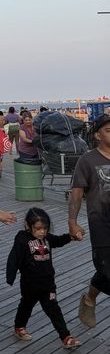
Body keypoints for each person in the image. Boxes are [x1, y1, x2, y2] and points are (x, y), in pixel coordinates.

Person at [6, 207, 79, 348]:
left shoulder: (47, 238)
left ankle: (66, 337)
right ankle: (19, 326)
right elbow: (14, 258)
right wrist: (11, 276)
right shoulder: (22, 239)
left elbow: (58, 240)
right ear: (28, 226)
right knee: (26, 305)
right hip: (30, 284)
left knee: (53, 309)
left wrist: (71, 236)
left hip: (48, 283)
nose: (42, 232)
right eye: (38, 228)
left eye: (45, 228)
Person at [69, 113, 110, 328]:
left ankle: (90, 297)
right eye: (108, 130)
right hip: (101, 223)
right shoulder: (88, 160)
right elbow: (76, 193)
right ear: (97, 135)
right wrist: (72, 222)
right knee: (106, 270)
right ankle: (90, 298)